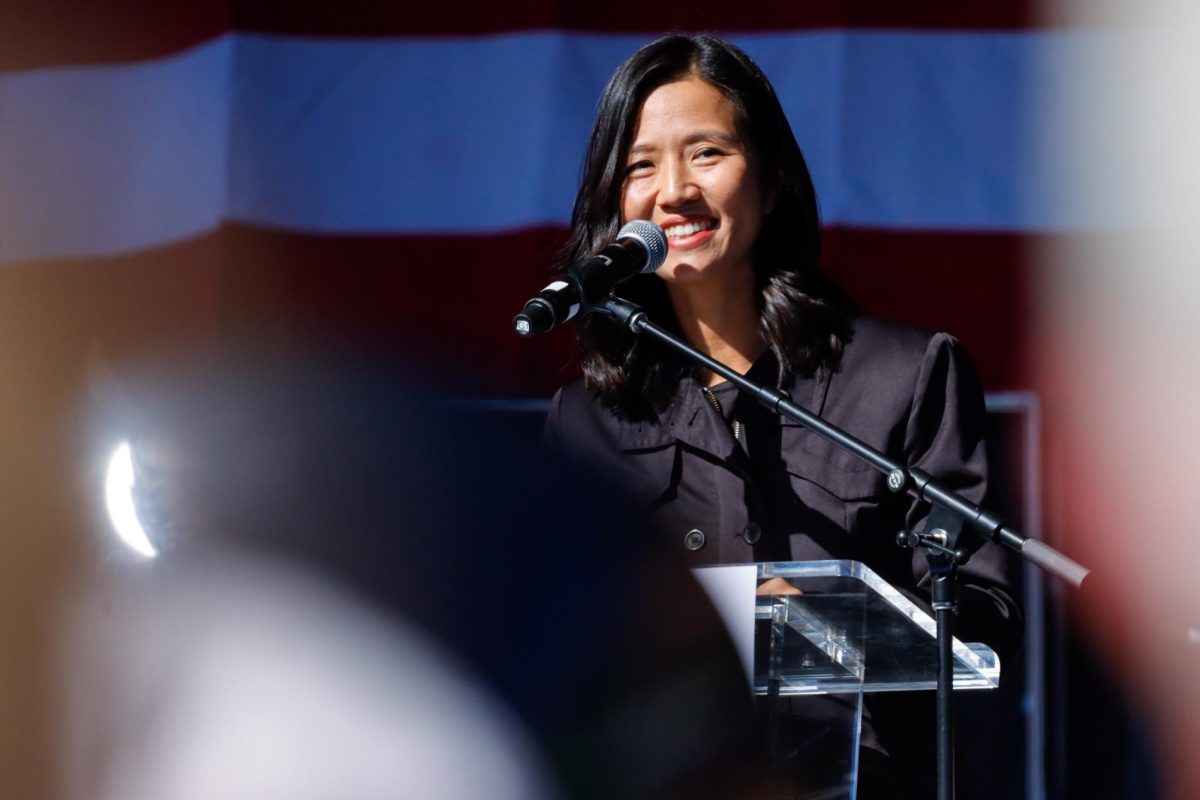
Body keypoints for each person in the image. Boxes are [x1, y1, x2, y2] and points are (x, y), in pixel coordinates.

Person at [543, 33, 1023, 798]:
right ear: (614, 204)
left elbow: (984, 612)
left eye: (706, 153)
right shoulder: (587, 419)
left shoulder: (905, 374)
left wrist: (824, 621)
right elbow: (562, 639)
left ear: (771, 183)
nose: (674, 190)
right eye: (641, 166)